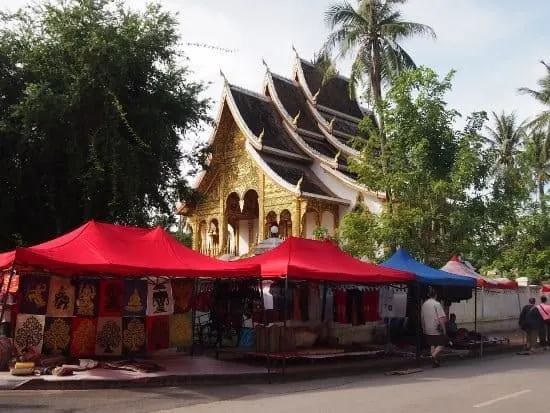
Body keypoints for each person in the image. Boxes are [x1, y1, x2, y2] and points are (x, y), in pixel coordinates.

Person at [421, 289, 447, 367]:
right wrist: (444, 329)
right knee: (442, 343)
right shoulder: (437, 304)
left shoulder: (424, 304)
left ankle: (435, 362)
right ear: (436, 295)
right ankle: (433, 355)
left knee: (432, 344)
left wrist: (423, 327)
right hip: (436, 328)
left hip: (427, 328)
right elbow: (441, 318)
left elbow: (422, 317)